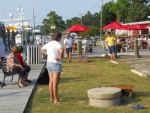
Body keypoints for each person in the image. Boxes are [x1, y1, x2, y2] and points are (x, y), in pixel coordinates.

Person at [41, 32, 64, 104]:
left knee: (51, 81)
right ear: (58, 38)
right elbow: (61, 50)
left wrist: (47, 54)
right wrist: (60, 56)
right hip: (56, 63)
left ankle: (51, 97)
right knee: (55, 82)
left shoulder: (49, 43)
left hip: (49, 63)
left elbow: (42, 49)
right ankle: (56, 99)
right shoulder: (57, 43)